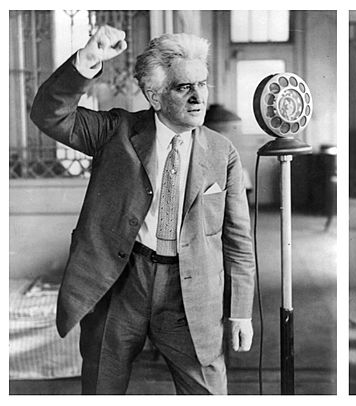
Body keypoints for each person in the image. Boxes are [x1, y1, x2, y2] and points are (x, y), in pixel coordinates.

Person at [30, 25, 255, 395]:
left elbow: (238, 243)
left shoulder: (222, 152)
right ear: (154, 95)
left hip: (189, 294)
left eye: (203, 84)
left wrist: (241, 311)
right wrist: (87, 60)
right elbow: (49, 114)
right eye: (185, 87)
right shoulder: (115, 132)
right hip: (121, 284)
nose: (200, 97)